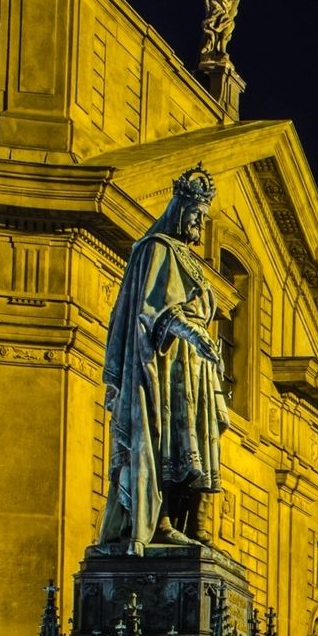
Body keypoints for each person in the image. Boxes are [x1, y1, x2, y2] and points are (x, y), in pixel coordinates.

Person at [94, 166, 225, 554]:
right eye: (196, 214)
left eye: (203, 216)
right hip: (166, 365)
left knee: (200, 441)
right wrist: (195, 334)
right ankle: (161, 521)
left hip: (195, 369)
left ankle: (197, 526)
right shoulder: (156, 249)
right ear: (179, 210)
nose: (199, 223)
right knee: (165, 439)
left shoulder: (190, 261)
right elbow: (154, 309)